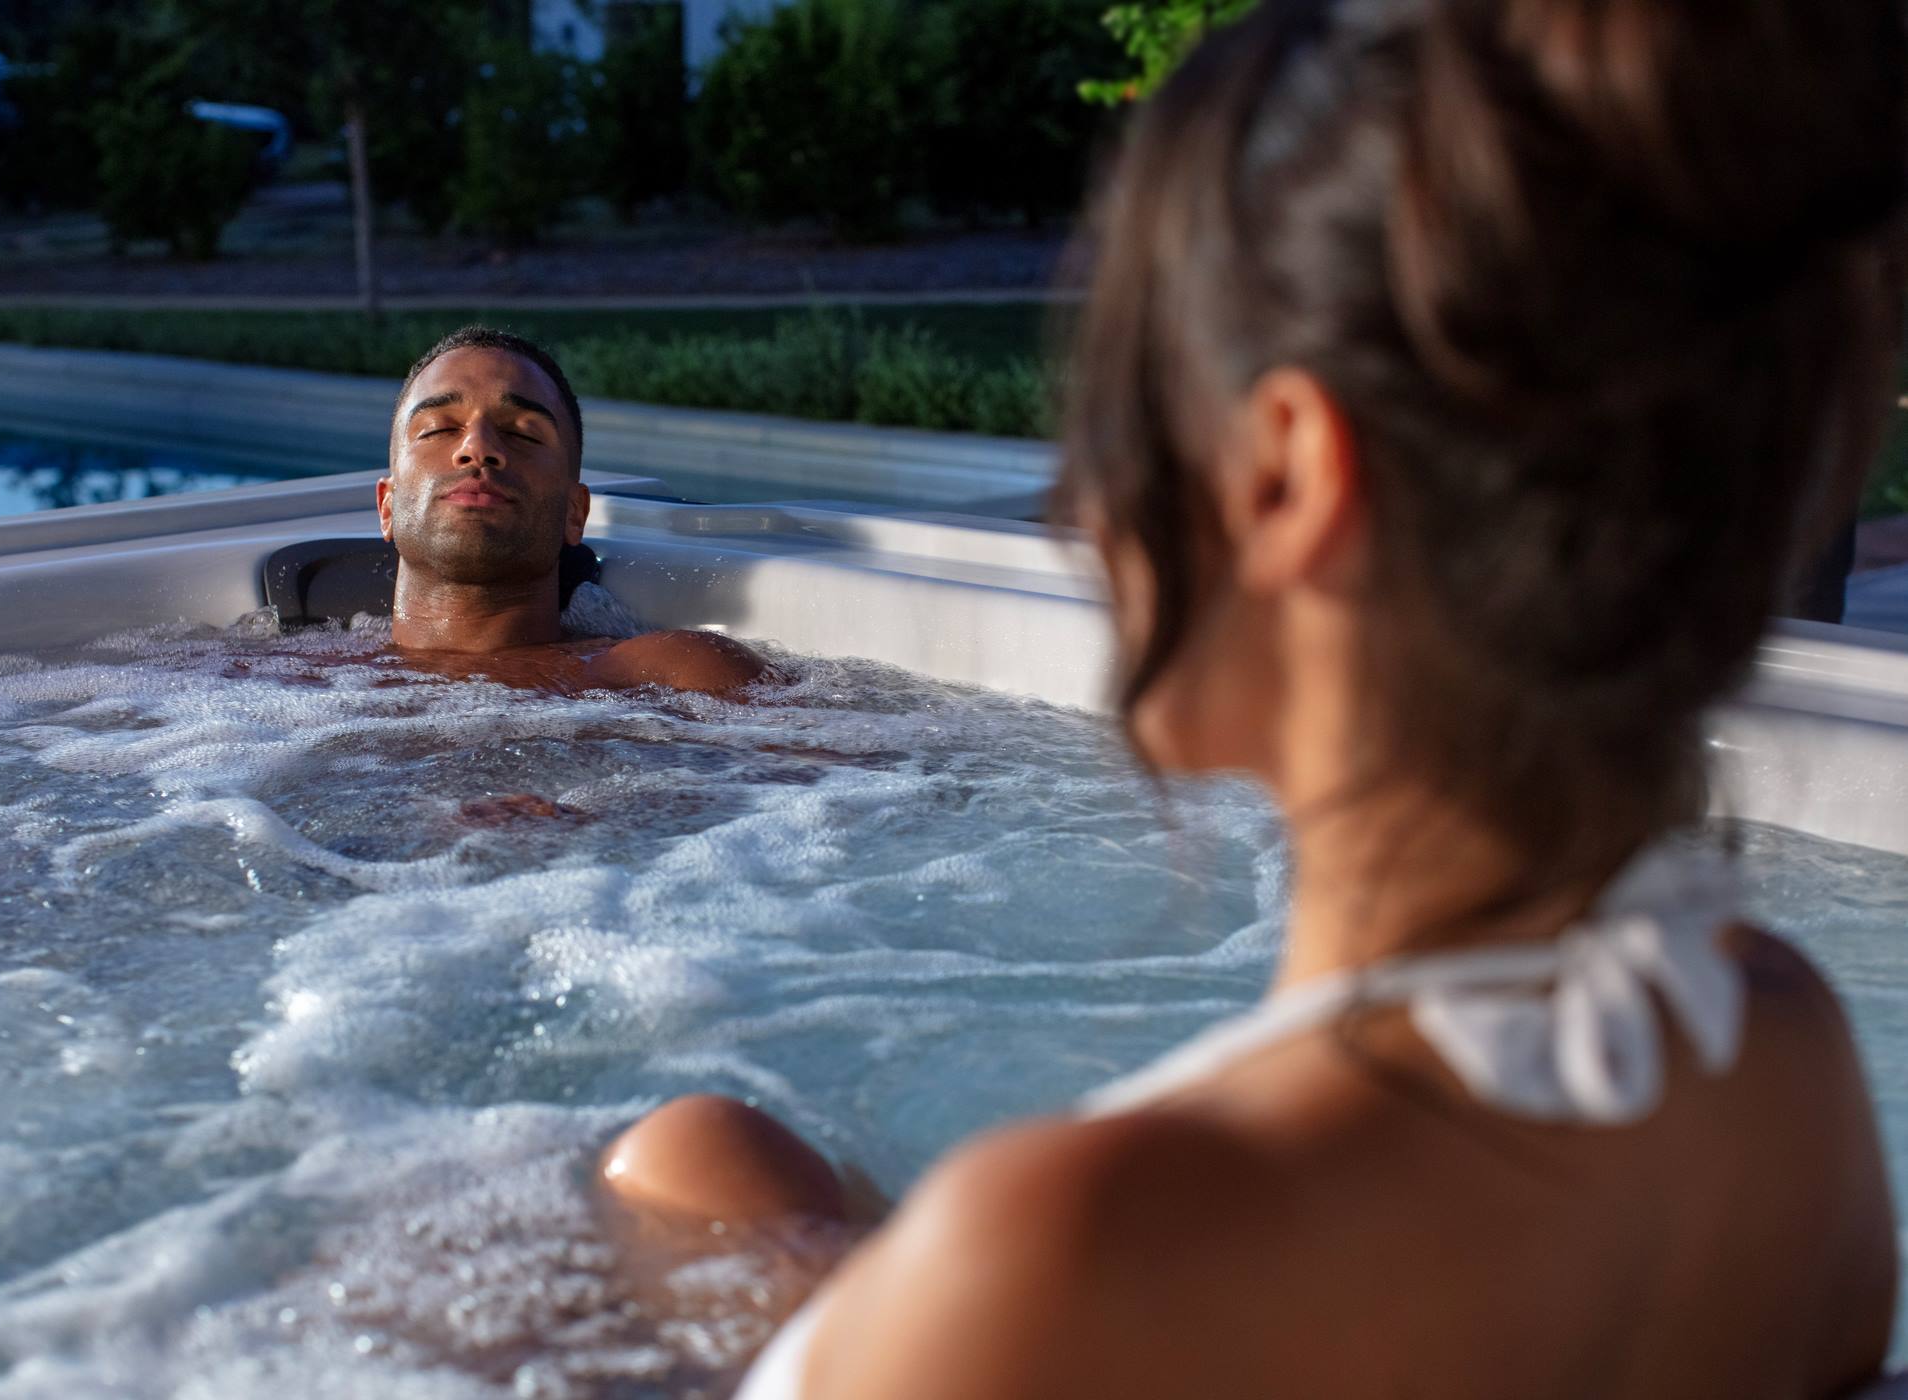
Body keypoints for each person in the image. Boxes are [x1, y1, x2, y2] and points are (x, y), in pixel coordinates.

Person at [601, 0, 1907, 1394]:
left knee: (669, 1161)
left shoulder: (1063, 1257)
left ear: (1285, 474)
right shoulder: (1780, 1056)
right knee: (709, 1154)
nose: (1081, 502)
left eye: (1119, 406)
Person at [375, 325, 766, 696]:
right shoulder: (315, 673)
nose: (477, 448)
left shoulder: (672, 675)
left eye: (522, 434)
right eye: (439, 429)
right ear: (386, 506)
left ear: (575, 513)